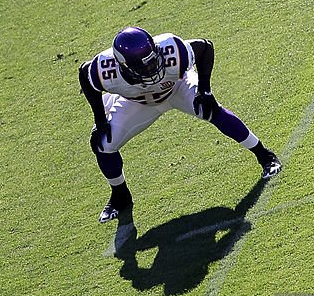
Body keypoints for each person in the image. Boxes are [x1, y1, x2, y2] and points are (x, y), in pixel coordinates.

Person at [79, 27, 281, 223]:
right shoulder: (104, 69)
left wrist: (205, 91)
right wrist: (100, 119)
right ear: (123, 66)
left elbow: (204, 47)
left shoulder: (171, 50)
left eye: (153, 61)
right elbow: (85, 76)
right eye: (144, 67)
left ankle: (265, 156)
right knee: (103, 144)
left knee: (211, 110)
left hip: (177, 87)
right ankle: (120, 196)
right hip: (137, 102)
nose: (153, 68)